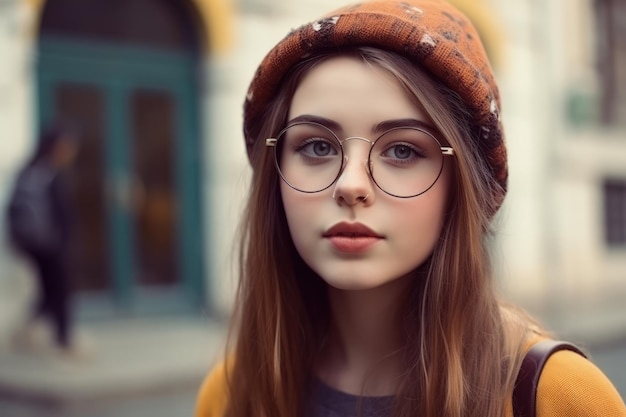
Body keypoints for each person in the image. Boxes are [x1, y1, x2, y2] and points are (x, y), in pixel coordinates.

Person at [196, 1, 626, 416]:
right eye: (317, 146)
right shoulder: (232, 392)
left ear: (462, 187)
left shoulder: (558, 397)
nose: (351, 186)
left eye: (402, 150)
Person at [6, 124, 80, 356]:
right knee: (60, 290)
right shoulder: (50, 174)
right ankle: (64, 342)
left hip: (33, 244)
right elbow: (62, 214)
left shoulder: (29, 171)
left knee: (49, 291)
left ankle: (26, 331)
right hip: (51, 244)